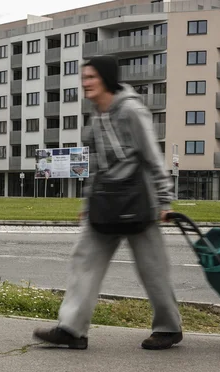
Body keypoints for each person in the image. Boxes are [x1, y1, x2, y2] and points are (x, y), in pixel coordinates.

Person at [32, 55, 183, 351]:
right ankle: (72, 330)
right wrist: (87, 202)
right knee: (84, 261)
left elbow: (153, 157)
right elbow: (95, 165)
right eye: (83, 77)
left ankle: (169, 328)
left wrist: (165, 201)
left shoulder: (131, 111)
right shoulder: (95, 116)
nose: (85, 82)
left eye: (91, 77)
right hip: (104, 203)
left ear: (106, 79)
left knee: (152, 269)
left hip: (139, 202)